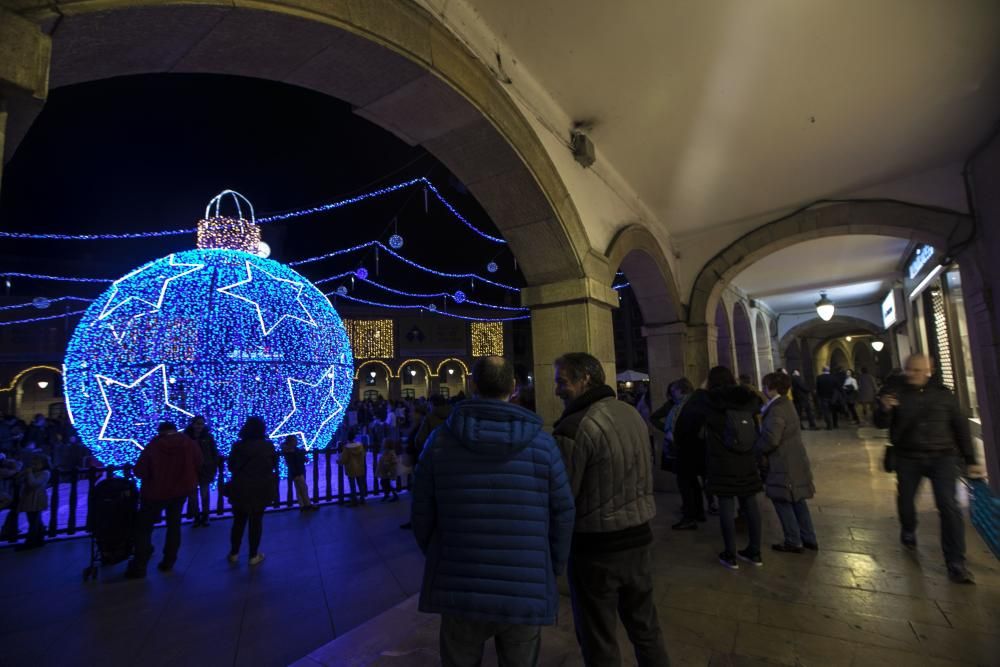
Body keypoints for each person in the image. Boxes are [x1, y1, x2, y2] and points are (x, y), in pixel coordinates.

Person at [411, 356, 575, 666]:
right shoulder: (543, 444)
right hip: (523, 588)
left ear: (472, 385)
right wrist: (551, 566)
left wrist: (438, 553)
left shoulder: (440, 441)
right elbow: (563, 512)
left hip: (460, 585)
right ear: (513, 388)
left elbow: (421, 510)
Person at [552, 352, 670, 666]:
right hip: (639, 538)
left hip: (596, 549)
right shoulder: (630, 413)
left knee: (598, 637)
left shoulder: (573, 428)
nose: (556, 391)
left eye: (561, 382)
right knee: (646, 627)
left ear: (584, 379)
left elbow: (562, 498)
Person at [875, 354, 984, 584]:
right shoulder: (896, 392)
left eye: (917, 370)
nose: (912, 374)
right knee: (905, 500)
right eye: (909, 370)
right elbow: (880, 423)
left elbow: (960, 426)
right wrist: (885, 409)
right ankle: (908, 528)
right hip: (908, 456)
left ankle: (956, 562)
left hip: (942, 456)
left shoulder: (944, 395)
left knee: (949, 507)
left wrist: (970, 459)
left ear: (929, 371)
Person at [680, 366, 763, 570]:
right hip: (746, 459)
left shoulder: (710, 400)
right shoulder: (746, 398)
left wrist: (700, 390)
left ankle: (730, 553)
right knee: (750, 503)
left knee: (726, 505)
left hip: (722, 460)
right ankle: (755, 551)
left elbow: (688, 418)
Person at [126, 422, 202, 578]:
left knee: (144, 528)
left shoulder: (154, 446)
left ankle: (140, 564)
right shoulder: (189, 443)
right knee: (174, 525)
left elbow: (140, 470)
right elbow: (199, 462)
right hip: (180, 491)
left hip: (155, 493)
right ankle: (169, 560)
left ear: (161, 431)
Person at [755, 372, 818, 553]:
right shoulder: (786, 404)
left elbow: (771, 439)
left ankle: (793, 540)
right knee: (798, 501)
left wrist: (756, 448)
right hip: (794, 460)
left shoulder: (776, 409)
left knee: (782, 500)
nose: (764, 389)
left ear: (772, 387)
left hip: (783, 462)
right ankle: (808, 537)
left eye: (766, 385)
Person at [227, 417, 276, 566]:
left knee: (238, 522)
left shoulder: (238, 446)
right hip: (260, 488)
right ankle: (253, 555)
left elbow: (231, 466)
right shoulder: (267, 446)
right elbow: (273, 465)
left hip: (241, 488)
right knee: (256, 522)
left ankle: (234, 552)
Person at [184, 415, 219, 527]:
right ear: (193, 424)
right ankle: (196, 516)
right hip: (191, 470)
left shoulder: (207, 437)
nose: (199, 426)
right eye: (198, 423)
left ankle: (205, 515)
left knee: (204, 494)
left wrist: (212, 466)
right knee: (193, 496)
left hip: (204, 470)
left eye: (201, 424)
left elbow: (214, 452)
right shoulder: (186, 437)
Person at [14, 453, 51, 551]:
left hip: (37, 498)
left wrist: (29, 473)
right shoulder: (33, 472)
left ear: (43, 464)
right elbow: (18, 481)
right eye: (32, 464)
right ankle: (39, 539)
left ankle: (30, 542)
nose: (33, 466)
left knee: (34, 520)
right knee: (34, 520)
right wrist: (22, 474)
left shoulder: (45, 473)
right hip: (29, 498)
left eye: (36, 464)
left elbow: (34, 484)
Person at [281, 435, 318, 512]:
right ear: (290, 442)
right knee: (303, 488)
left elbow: (298, 457)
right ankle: (307, 505)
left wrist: (303, 458)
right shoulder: (290, 451)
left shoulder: (293, 450)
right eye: (295, 440)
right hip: (297, 472)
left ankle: (303, 505)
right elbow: (293, 462)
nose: (296, 442)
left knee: (300, 489)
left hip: (297, 471)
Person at [339, 433, 368, 506]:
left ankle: (354, 500)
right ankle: (362, 498)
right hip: (360, 467)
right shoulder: (360, 446)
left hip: (351, 468)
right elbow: (364, 454)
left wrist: (339, 461)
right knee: (360, 484)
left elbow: (344, 458)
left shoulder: (347, 448)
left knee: (352, 485)